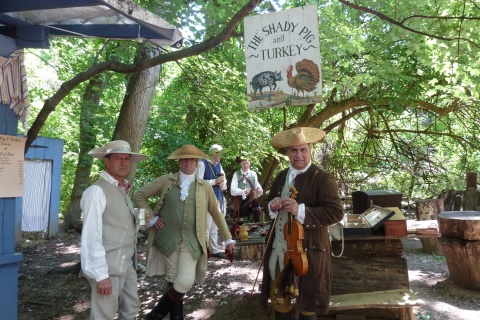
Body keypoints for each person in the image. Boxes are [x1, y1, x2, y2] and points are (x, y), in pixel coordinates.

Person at [133, 144, 236, 320]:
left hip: (192, 242)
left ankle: (155, 315)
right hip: (167, 240)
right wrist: (149, 220)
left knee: (185, 281)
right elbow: (139, 194)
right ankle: (176, 317)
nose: (188, 162)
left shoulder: (205, 186)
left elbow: (216, 213)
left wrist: (228, 238)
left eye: (191, 159)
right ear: (179, 162)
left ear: (197, 163)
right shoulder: (166, 180)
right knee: (173, 279)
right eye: (184, 159)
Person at [260, 127, 344, 320]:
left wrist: (301, 211)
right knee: (280, 303)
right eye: (293, 150)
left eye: (303, 150)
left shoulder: (321, 178)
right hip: (279, 252)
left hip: (308, 255)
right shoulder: (281, 176)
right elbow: (268, 202)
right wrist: (272, 206)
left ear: (310, 150)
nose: (298, 155)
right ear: (287, 152)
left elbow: (336, 213)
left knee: (308, 305)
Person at [80, 140, 147, 320]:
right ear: (106, 161)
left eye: (127, 158)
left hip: (127, 263)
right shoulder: (96, 191)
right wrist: (101, 275)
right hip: (107, 267)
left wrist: (137, 215)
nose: (124, 162)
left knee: (131, 309)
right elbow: (90, 236)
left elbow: (117, 221)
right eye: (118, 158)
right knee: (104, 315)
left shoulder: (121, 188)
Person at [196, 144, 228, 259]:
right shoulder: (202, 164)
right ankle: (204, 250)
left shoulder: (219, 165)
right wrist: (214, 181)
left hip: (218, 197)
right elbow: (198, 183)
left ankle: (214, 250)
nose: (220, 158)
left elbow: (224, 185)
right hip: (206, 198)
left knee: (215, 226)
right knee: (206, 226)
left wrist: (221, 183)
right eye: (218, 155)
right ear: (214, 154)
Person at [230, 153, 264, 223]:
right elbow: (232, 190)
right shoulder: (236, 174)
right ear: (240, 164)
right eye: (243, 163)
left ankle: (257, 224)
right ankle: (239, 226)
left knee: (255, 201)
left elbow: (257, 187)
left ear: (249, 163)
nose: (245, 165)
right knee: (239, 205)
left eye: (247, 163)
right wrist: (243, 191)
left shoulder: (253, 174)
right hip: (240, 199)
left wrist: (259, 190)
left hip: (251, 199)